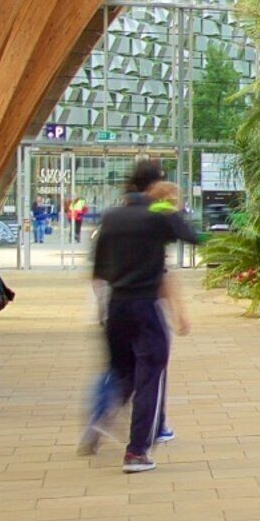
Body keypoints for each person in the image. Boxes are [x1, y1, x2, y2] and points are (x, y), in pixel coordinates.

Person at [80, 159, 200, 474]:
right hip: (145, 304)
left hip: (116, 306)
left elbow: (97, 270)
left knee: (122, 373)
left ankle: (102, 416)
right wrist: (167, 206)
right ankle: (137, 452)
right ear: (156, 184)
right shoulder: (156, 216)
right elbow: (192, 235)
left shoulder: (112, 217)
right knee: (150, 376)